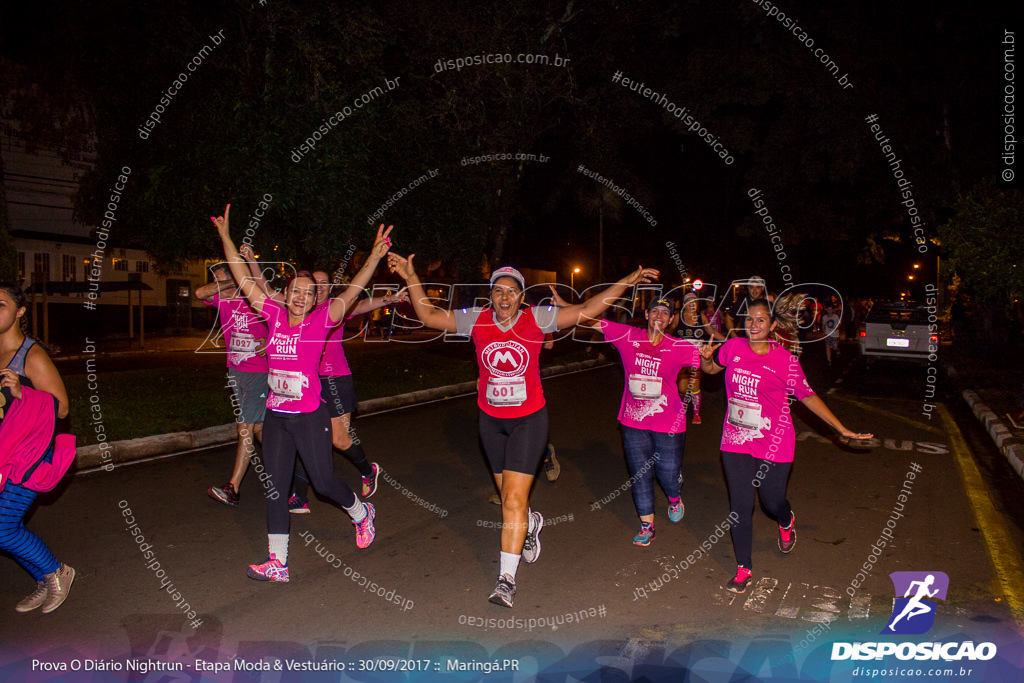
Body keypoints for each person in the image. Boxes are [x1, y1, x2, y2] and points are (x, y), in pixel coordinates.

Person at [387, 252, 658, 607]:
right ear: (490, 296)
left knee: (512, 501)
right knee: (510, 500)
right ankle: (531, 524)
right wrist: (410, 274)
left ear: (521, 297)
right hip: (490, 422)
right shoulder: (477, 320)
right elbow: (429, 315)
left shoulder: (538, 318)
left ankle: (506, 581)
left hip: (529, 420)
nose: (504, 297)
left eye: (511, 292)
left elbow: (587, 310)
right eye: (498, 291)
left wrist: (627, 280)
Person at [212, 204, 390, 582]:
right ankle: (278, 563)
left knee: (323, 484)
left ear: (314, 301)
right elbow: (244, 279)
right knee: (276, 489)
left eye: (307, 294)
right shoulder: (273, 315)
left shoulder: (320, 322)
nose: (300, 298)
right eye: (295, 291)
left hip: (310, 417)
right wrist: (226, 237)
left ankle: (361, 512)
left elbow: (355, 289)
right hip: (278, 418)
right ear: (287, 293)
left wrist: (374, 257)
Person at [699, 294, 872, 594]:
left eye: (761, 320)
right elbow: (712, 371)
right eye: (749, 319)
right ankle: (744, 568)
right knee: (740, 506)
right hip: (735, 441)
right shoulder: (733, 347)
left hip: (774, 443)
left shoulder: (784, 361)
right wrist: (705, 359)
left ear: (773, 325)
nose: (753, 325)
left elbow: (808, 397)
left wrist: (841, 429)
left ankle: (785, 518)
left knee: (771, 501)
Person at [288, 273, 409, 514]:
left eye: (324, 283)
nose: (320, 287)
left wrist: (389, 299)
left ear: (330, 287)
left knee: (339, 440)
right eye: (316, 283)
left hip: (336, 380)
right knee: (305, 436)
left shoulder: (336, 307)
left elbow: (363, 304)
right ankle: (299, 497)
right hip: (307, 382)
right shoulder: (300, 308)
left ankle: (368, 470)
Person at [0, 283, 76, 613]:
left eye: (0, 305)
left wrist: (22, 393)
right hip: (3, 451)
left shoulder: (31, 356)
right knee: (5, 527)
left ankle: (58, 572)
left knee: (2, 527)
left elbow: (62, 407)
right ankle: (45, 578)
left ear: (19, 311)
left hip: (28, 455)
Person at [601, 296, 700, 545]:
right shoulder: (627, 336)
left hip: (669, 422)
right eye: (655, 311)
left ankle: (674, 495)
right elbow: (590, 319)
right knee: (640, 474)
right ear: (646, 314)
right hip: (633, 422)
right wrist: (562, 307)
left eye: (665, 313)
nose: (659, 316)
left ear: (671, 319)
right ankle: (647, 526)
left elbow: (710, 366)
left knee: (667, 474)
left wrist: (708, 358)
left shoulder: (678, 346)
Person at [196, 259, 269, 507]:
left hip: (259, 373)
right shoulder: (223, 299)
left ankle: (233, 488)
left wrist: (267, 342)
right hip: (236, 372)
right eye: (216, 280)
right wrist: (226, 283)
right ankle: (287, 462)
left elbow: (281, 324)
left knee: (245, 428)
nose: (217, 286)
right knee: (258, 428)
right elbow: (199, 292)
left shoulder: (255, 300)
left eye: (222, 279)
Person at [672, 291, 713, 424]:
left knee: (695, 385)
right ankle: (684, 405)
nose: (691, 304)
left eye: (694, 301)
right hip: (681, 357)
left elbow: (712, 331)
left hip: (697, 356)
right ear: (684, 304)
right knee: (683, 388)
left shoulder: (701, 317)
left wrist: (728, 339)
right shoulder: (678, 317)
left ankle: (696, 413)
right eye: (688, 302)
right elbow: (668, 331)